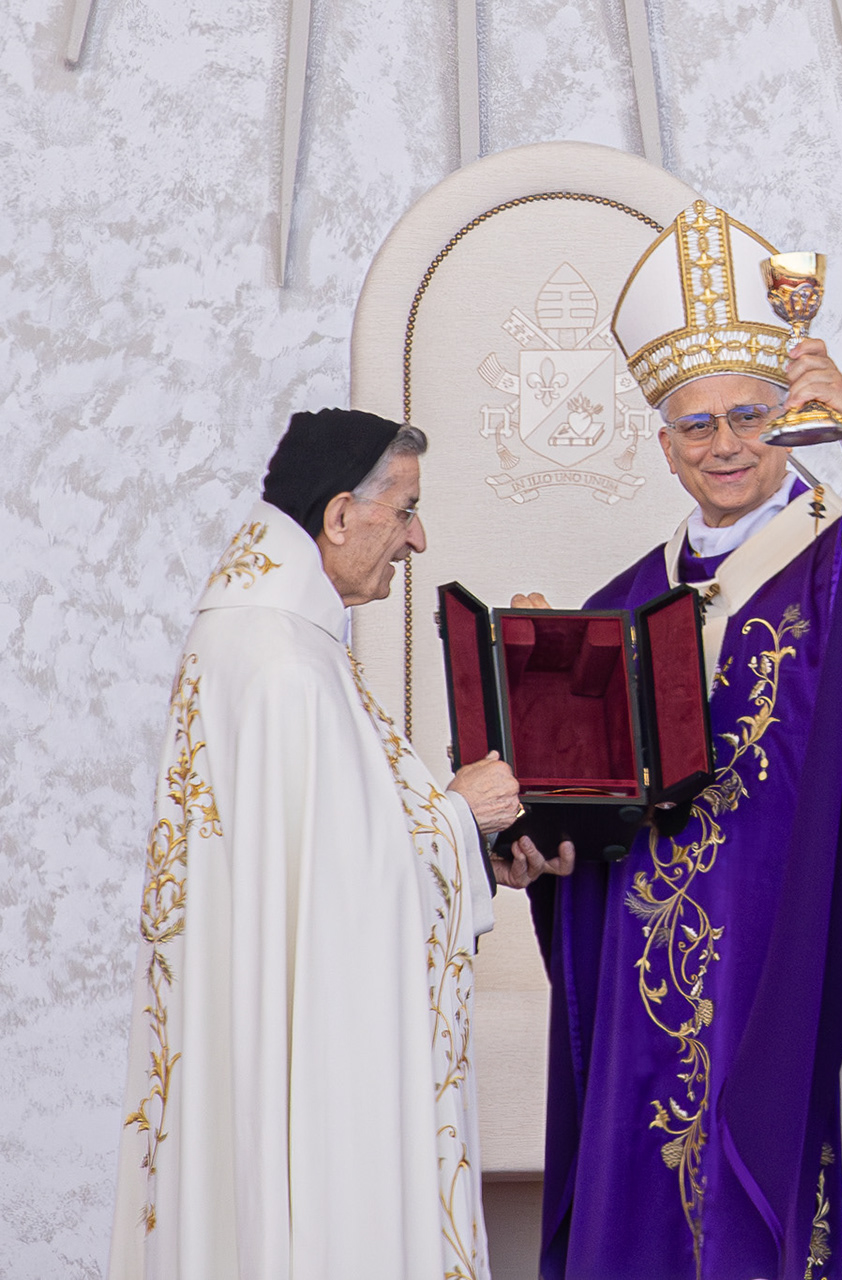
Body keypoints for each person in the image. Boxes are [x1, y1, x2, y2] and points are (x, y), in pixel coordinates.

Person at [518, 200, 842, 1279]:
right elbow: (583, 819)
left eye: (752, 415)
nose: (729, 445)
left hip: (810, 944)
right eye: (699, 426)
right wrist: (538, 837)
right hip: (661, 971)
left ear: (788, 412)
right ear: (663, 445)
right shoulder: (623, 603)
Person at [106, 409, 571, 1280]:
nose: (417, 538)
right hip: (315, 1065)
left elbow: (326, 854)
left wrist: (474, 844)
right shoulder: (282, 664)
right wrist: (456, 814)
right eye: (405, 511)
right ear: (339, 515)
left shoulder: (267, 637)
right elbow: (339, 900)